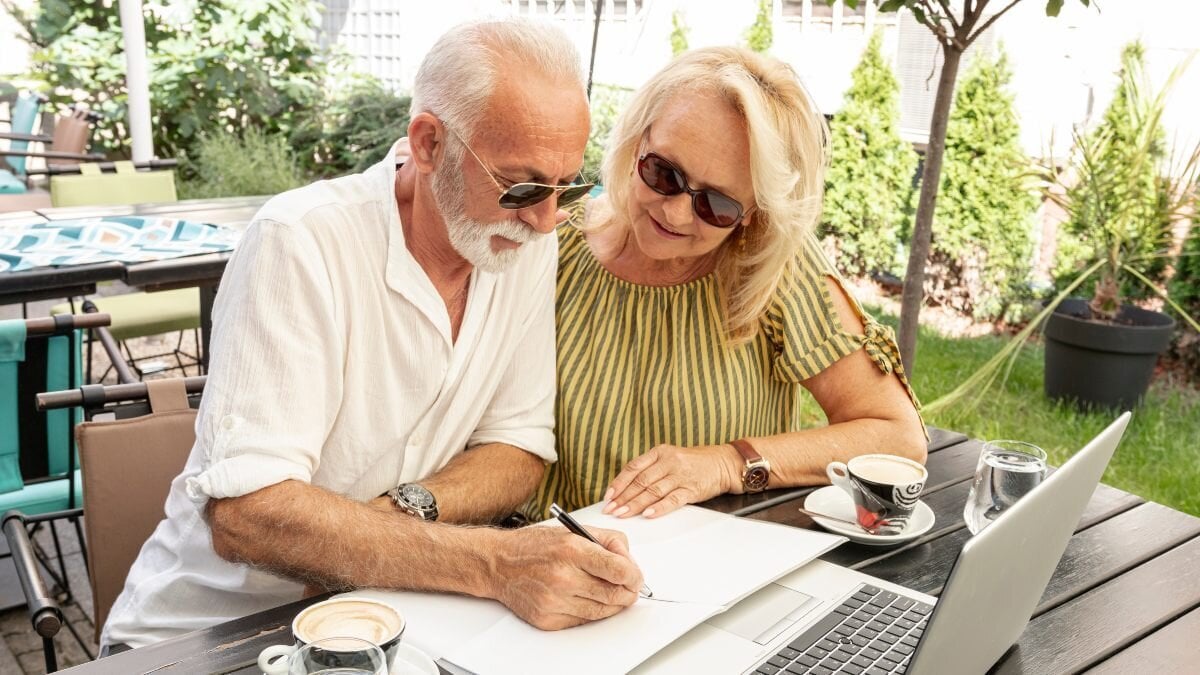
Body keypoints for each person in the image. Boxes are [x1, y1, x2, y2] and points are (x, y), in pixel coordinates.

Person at [102, 18, 642, 650]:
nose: (546, 221)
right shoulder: (301, 241)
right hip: (211, 637)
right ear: (429, 143)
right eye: (521, 185)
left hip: (386, 618)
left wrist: (390, 521)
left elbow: (518, 447)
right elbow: (246, 514)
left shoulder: (518, 240)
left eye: (565, 185)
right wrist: (494, 564)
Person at [525, 47, 927, 521]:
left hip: (718, 565)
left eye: (716, 204)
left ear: (753, 213)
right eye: (663, 173)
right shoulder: (552, 244)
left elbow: (897, 436)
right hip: (552, 557)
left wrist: (728, 462)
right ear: (638, 141)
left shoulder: (771, 263)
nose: (673, 212)